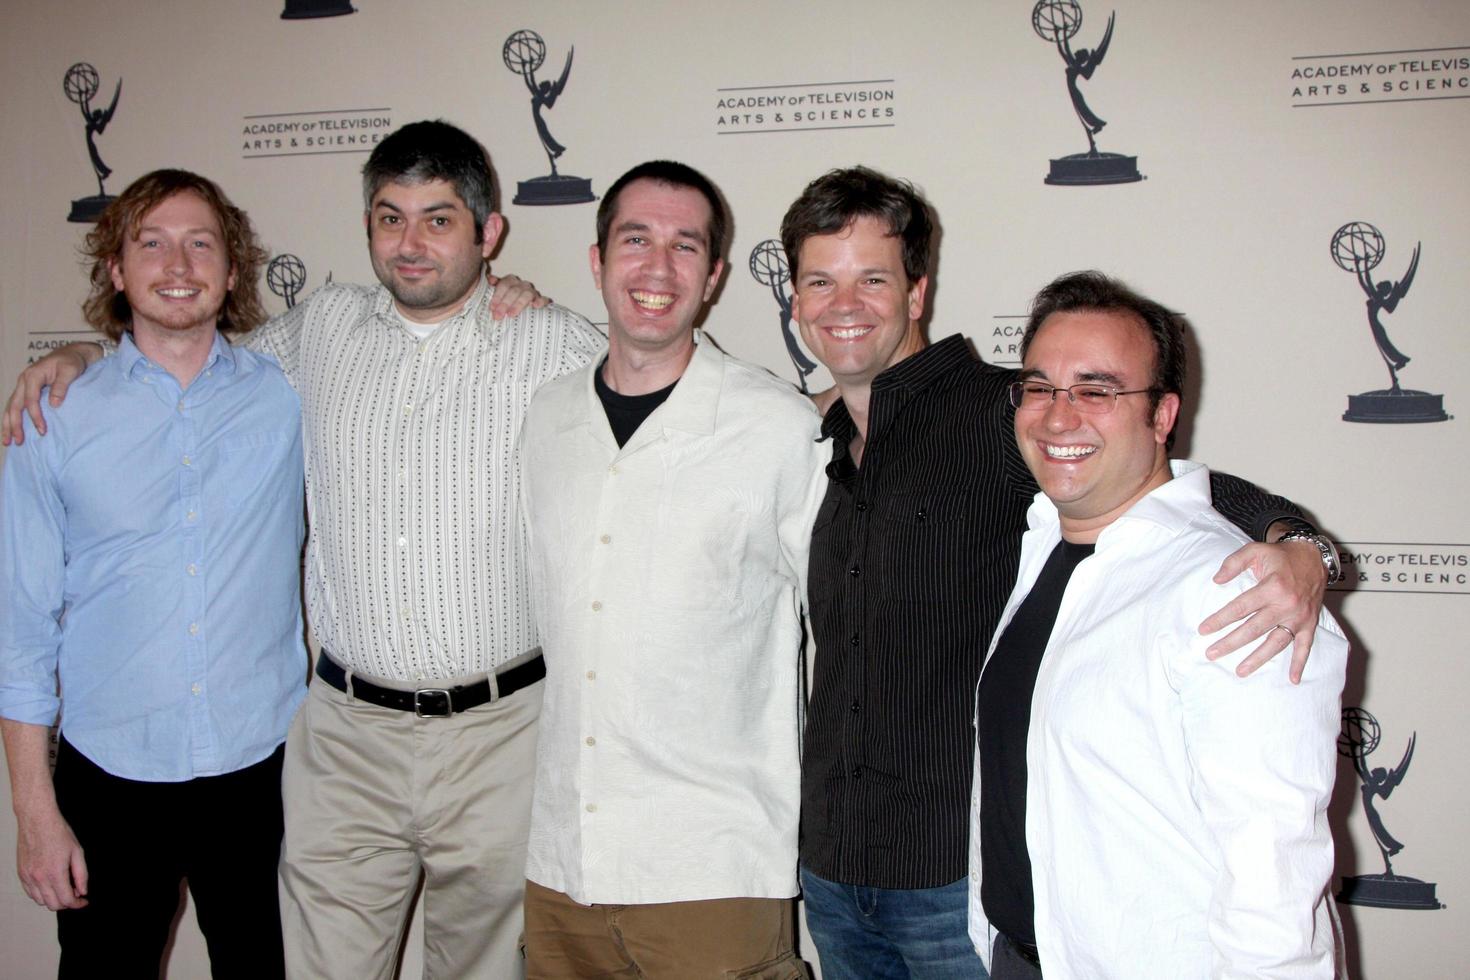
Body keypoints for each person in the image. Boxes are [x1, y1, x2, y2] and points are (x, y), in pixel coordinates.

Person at [2, 120, 599, 979]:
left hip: (433, 746)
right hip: (280, 750)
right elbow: (184, 363)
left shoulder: (542, 344)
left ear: (488, 231)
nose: (412, 241)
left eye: (439, 219)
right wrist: (75, 354)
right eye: (390, 217)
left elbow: (671, 383)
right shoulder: (308, 337)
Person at [779, 167, 1340, 978]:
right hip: (834, 875)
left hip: (954, 890)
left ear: (918, 292)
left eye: (874, 278)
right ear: (794, 299)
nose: (845, 304)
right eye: (820, 281)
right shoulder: (817, 435)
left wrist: (1302, 548)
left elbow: (1171, 480)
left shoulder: (1007, 409)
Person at [968, 271, 1347, 977]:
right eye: (1041, 386)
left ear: (1162, 415)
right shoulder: (1046, 543)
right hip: (1018, 956)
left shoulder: (1231, 587)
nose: (1058, 415)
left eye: (1098, 389)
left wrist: (1307, 546)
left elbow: (1274, 871)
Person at [518, 161, 824, 979]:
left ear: (715, 275)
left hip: (712, 871)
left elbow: (855, 618)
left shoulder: (777, 429)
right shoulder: (546, 420)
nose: (658, 269)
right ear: (596, 260)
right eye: (635, 240)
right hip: (561, 868)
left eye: (685, 247)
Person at [0, 169, 303, 978]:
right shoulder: (51, 416)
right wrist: (35, 812)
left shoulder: (288, 395)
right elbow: (21, 633)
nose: (179, 263)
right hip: (110, 776)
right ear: (116, 270)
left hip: (262, 770)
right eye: (152, 242)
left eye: (201, 243)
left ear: (233, 271)